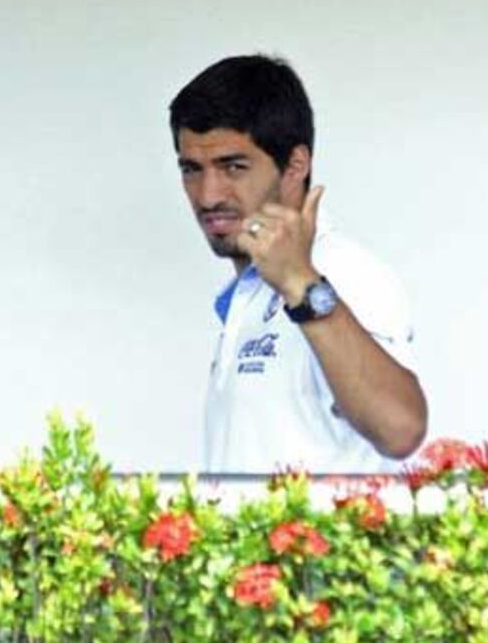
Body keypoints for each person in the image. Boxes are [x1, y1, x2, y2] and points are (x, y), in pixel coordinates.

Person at [169, 54, 428, 473]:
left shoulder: (343, 270)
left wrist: (303, 287)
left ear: (295, 165)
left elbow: (400, 428)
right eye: (191, 169)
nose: (208, 195)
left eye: (233, 167)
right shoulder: (251, 288)